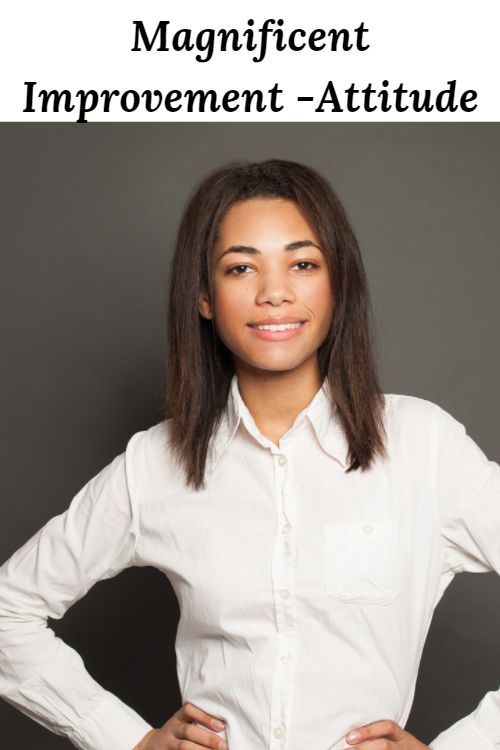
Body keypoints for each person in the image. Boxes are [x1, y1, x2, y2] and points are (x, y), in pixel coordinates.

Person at [0, 158, 498, 750]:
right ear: (205, 297)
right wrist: (127, 740)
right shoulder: (155, 463)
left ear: (338, 284)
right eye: (241, 267)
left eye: (303, 263)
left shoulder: (423, 445)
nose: (275, 292)